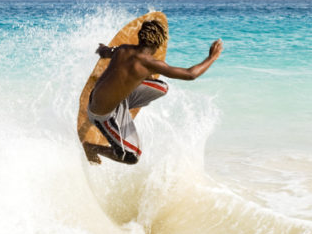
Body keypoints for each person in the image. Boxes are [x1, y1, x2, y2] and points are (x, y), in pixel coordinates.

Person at [84, 19, 223, 164]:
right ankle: (92, 148)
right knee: (132, 156)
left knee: (162, 87)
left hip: (99, 95)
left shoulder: (122, 49)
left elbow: (104, 52)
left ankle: (121, 100)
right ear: (158, 44)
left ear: (140, 37)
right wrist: (212, 57)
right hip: (102, 114)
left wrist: (101, 48)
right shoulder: (151, 64)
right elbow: (190, 74)